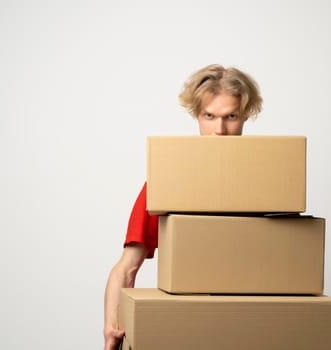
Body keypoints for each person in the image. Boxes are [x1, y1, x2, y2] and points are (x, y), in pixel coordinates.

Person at [103, 64, 263, 350]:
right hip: (187, 327)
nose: (220, 130)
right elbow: (126, 268)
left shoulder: (270, 180)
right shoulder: (168, 179)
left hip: (247, 327)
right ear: (196, 116)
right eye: (209, 116)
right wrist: (111, 331)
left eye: (232, 117)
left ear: (246, 116)